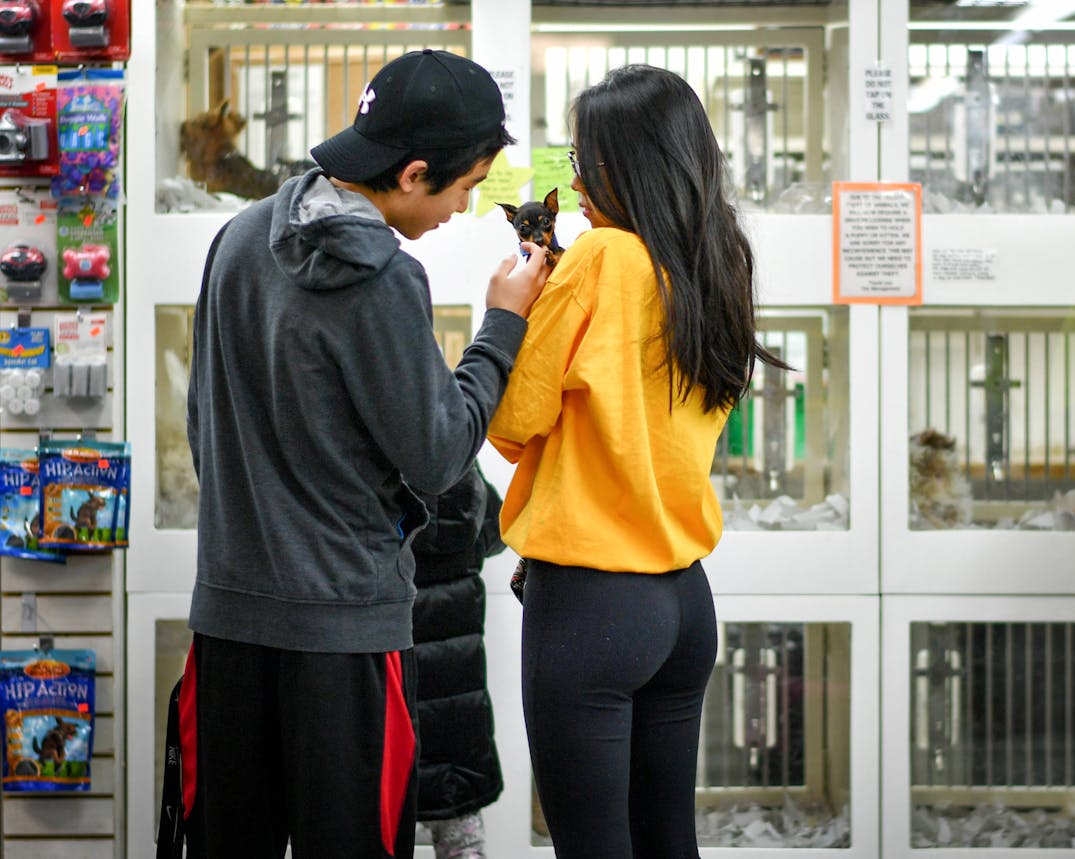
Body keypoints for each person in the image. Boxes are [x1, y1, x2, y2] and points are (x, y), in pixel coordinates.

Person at [182, 49, 550, 859]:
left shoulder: (240, 238)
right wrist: (503, 323)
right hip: (345, 638)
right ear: (415, 173)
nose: (467, 205)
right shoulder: (382, 275)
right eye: (467, 185)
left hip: (227, 623)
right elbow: (441, 454)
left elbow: (203, 429)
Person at [487, 64, 790, 859]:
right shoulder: (717, 262)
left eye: (589, 160)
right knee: (667, 843)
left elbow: (512, 423)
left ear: (634, 164)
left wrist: (508, 310)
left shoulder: (599, 259)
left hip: (590, 605)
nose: (577, 180)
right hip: (683, 603)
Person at [411, 462, 506, 859]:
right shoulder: (458, 466)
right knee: (461, 842)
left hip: (383, 687)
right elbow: (497, 528)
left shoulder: (376, 473)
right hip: (457, 707)